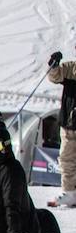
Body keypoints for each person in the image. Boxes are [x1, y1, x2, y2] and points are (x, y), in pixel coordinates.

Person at [45, 48, 76, 207]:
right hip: (69, 124)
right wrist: (54, 65)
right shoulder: (70, 68)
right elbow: (55, 76)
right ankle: (69, 192)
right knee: (66, 158)